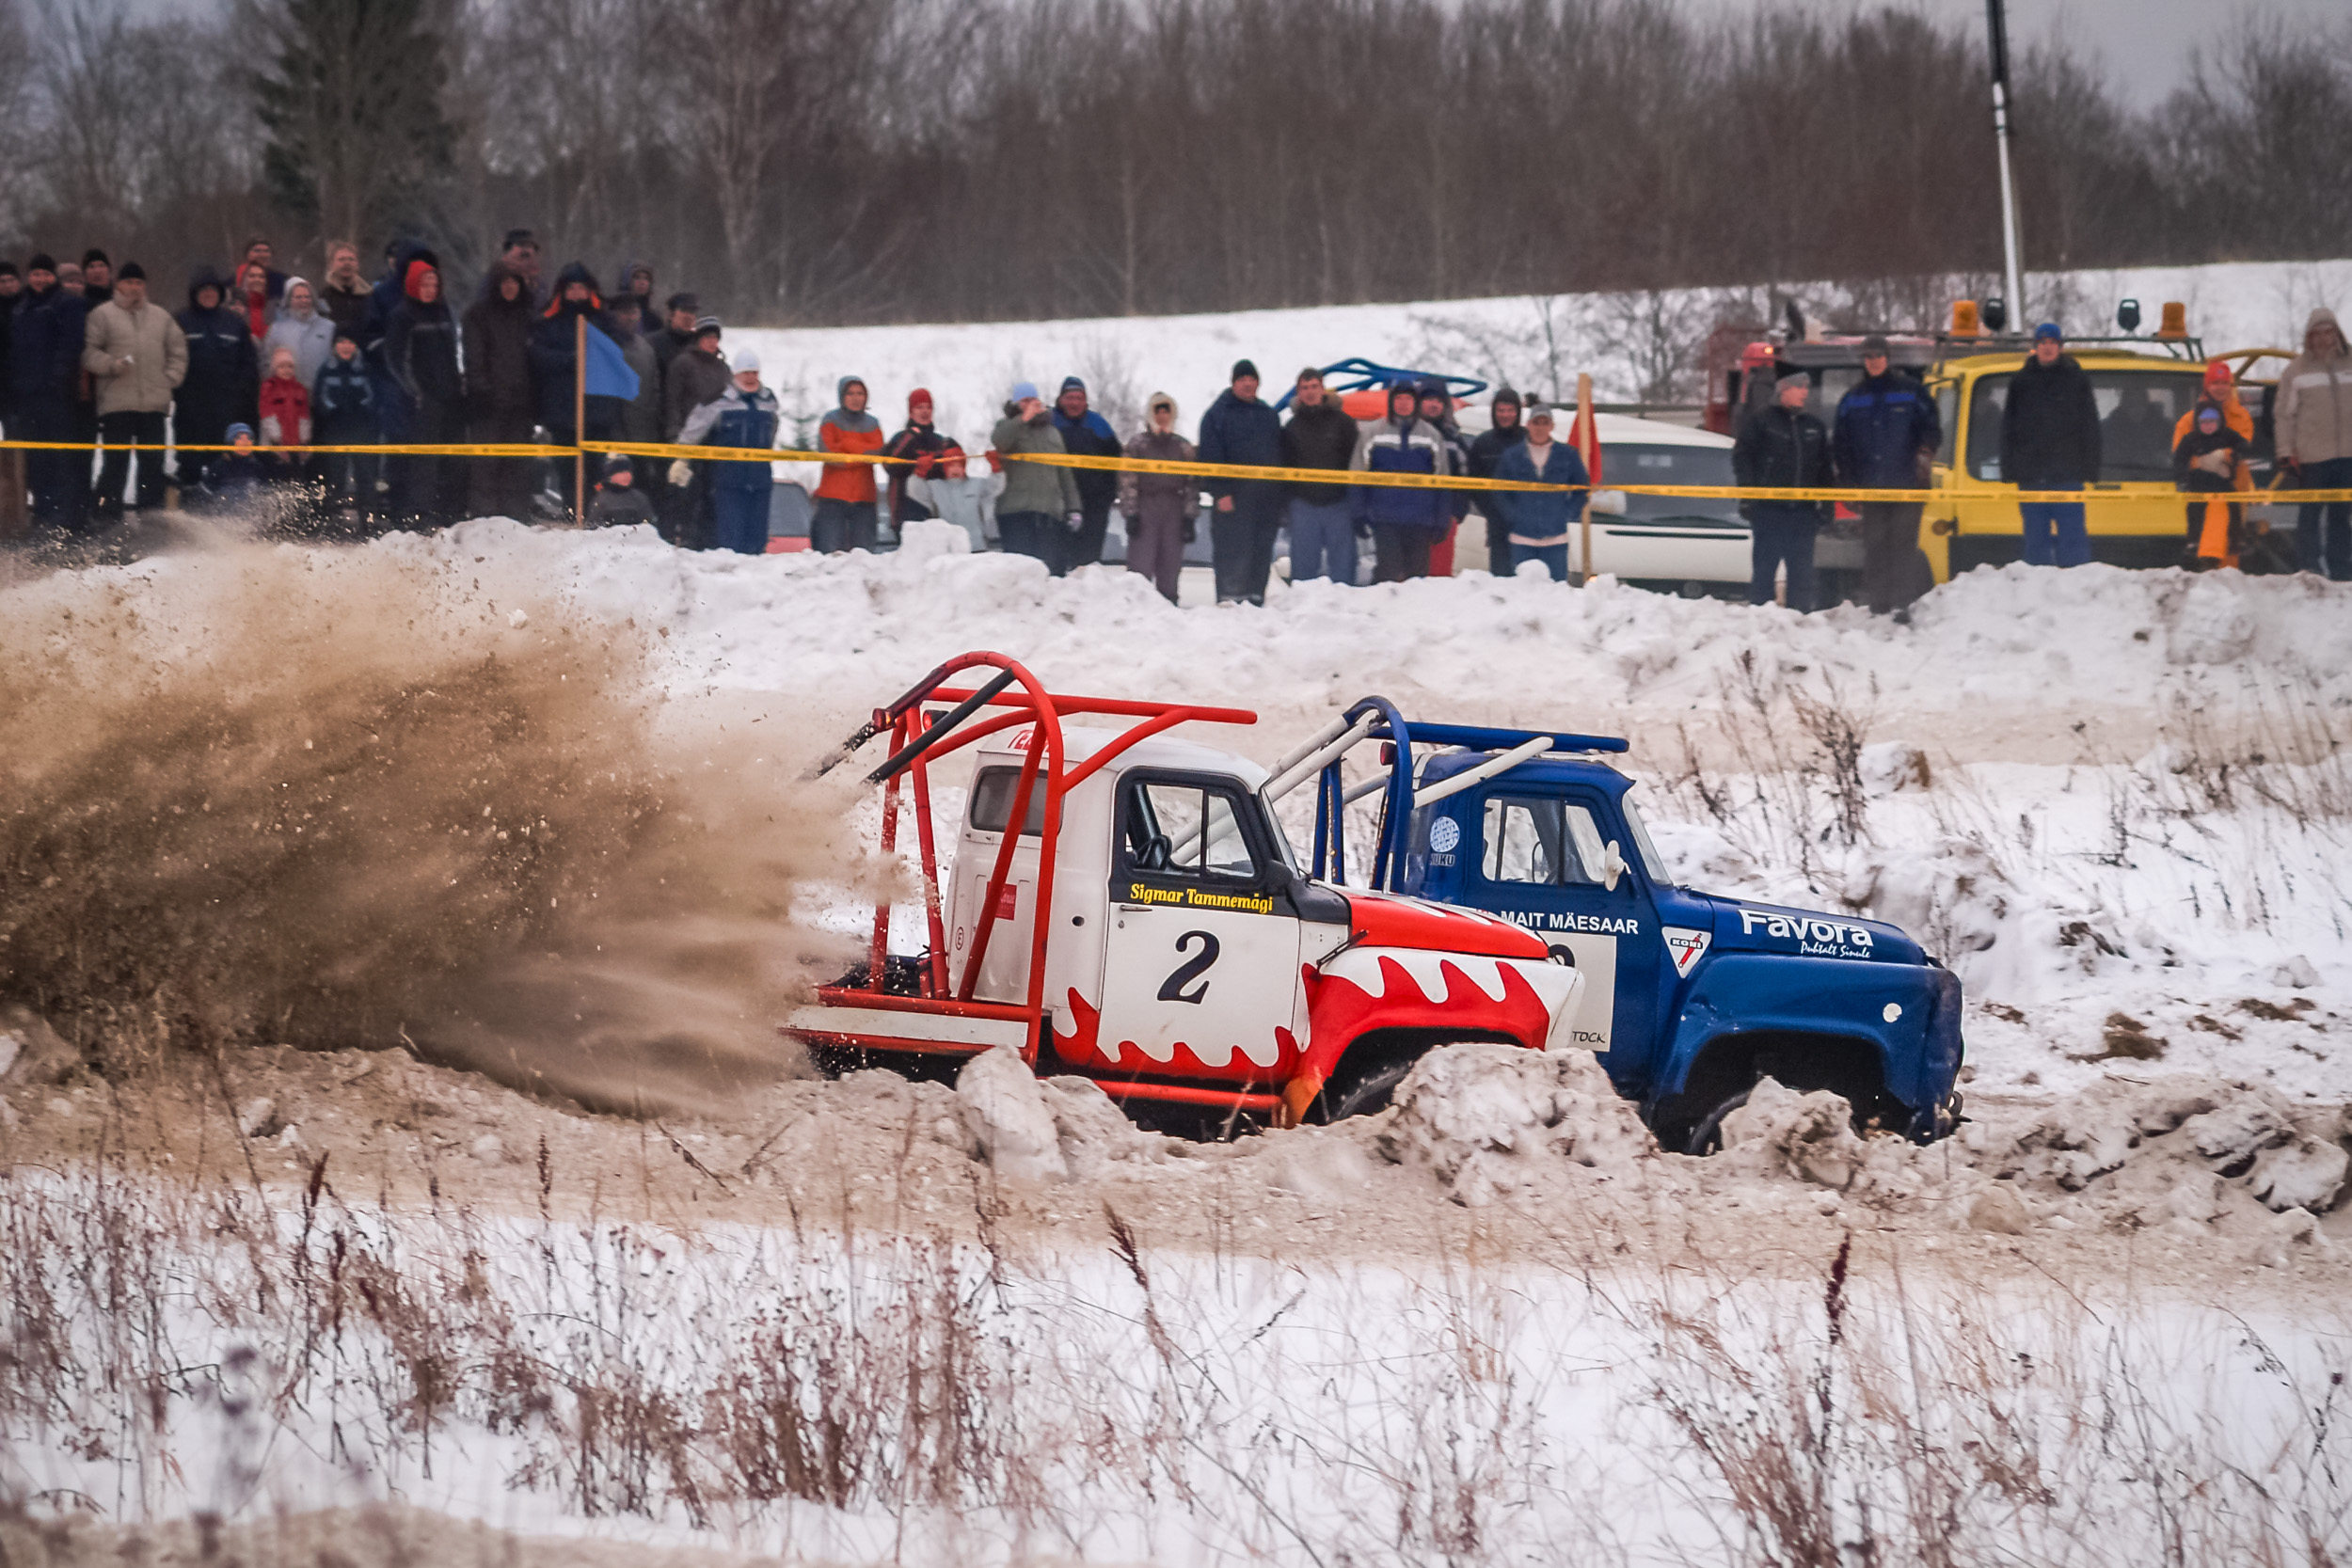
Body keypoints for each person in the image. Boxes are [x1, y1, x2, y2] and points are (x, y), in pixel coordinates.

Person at [1833, 334, 1940, 614]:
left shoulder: (1911, 392)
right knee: (1875, 546)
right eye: (1869, 356)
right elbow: (1842, 446)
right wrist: (1848, 484)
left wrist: (1924, 456)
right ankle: (1879, 606)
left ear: (1887, 358)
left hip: (1908, 484)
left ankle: (1903, 605)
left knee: (1904, 545)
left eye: (1878, 356)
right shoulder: (1853, 399)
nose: (1874, 361)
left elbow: (1932, 428)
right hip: (1871, 487)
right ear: (1863, 361)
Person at [81, 262, 187, 517]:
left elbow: (178, 351)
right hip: (117, 403)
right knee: (115, 463)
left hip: (154, 404)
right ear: (118, 284)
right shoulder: (102, 315)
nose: (134, 287)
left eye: (139, 283)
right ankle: (108, 515)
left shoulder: (161, 317)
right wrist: (110, 364)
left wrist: (170, 379)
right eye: (129, 282)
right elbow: (89, 352)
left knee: (152, 463)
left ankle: (151, 515)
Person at [2000, 323, 2101, 567]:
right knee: (2035, 541)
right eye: (2043, 343)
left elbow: (2090, 426)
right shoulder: (2021, 382)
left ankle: (2076, 584)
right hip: (2031, 475)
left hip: (2067, 474)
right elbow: (2008, 428)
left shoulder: (2076, 379)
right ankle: (2037, 587)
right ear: (2035, 347)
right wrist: (2009, 468)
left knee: (2073, 539)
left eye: (2052, 343)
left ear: (2061, 347)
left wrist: (2091, 467)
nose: (2047, 348)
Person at [1733, 370, 1834, 610]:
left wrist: (1827, 505)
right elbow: (1742, 458)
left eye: (1807, 387)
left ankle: (1799, 619)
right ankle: (1761, 619)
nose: (1805, 392)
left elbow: (1825, 470)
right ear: (1783, 389)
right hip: (1768, 511)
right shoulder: (1761, 422)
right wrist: (1748, 496)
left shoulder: (1814, 427)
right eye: (1799, 387)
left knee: (1802, 574)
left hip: (1803, 513)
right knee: (1764, 572)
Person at [1351, 377, 1464, 582]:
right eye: (1399, 398)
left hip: (1420, 521)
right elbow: (1357, 474)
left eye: (1408, 399)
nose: (1403, 403)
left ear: (1415, 402)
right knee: (1387, 576)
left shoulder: (1431, 435)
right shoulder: (1372, 432)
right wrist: (1358, 512)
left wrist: (1441, 520)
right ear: (1391, 401)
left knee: (1417, 581)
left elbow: (1443, 481)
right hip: (1384, 519)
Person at [8, 256, 91, 529]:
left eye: (45, 274)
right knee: (36, 457)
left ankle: (65, 514)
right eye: (36, 274)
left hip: (57, 394)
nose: (40, 279)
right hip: (27, 394)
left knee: (61, 456)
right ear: (28, 277)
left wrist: (58, 377)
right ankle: (43, 511)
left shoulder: (66, 304)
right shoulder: (21, 308)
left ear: (54, 276)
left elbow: (71, 345)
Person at [383, 257, 466, 524]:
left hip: (450, 394)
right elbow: (397, 360)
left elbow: (452, 352)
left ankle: (451, 510)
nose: (430, 290)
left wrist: (457, 384)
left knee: (453, 455)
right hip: (422, 398)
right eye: (425, 284)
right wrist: (416, 392)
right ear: (413, 285)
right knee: (423, 460)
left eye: (434, 285)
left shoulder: (443, 311)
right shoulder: (403, 315)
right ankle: (421, 512)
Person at [1198, 359, 1285, 603]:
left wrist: (1278, 496)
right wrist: (1221, 492)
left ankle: (1256, 600)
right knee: (1232, 552)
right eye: (1242, 379)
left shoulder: (1268, 415)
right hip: (1232, 500)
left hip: (1265, 500)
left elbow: (1279, 456)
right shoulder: (1217, 414)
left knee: (1261, 551)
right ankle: (1230, 602)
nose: (1247, 384)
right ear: (1233, 383)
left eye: (1251, 379)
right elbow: (1210, 456)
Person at [677, 347, 780, 555]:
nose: (750, 377)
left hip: (760, 479)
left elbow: (773, 431)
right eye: (745, 373)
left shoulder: (768, 400)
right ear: (735, 374)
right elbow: (693, 431)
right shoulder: (717, 400)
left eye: (754, 372)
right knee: (731, 538)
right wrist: (681, 459)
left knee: (757, 538)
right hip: (729, 480)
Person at [2278, 307, 2352, 580]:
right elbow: (2284, 415)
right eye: (2317, 333)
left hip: (2347, 454)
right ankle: (2310, 568)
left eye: (2328, 332)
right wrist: (2285, 451)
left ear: (2337, 332)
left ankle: (2341, 570)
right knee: (2309, 513)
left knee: (2341, 515)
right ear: (2309, 336)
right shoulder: (2295, 371)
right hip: (2311, 457)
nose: (2323, 338)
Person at [462, 260, 537, 520]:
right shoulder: (477, 315)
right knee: (486, 461)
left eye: (514, 282)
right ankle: (484, 515)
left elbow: (534, 359)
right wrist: (480, 390)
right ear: (495, 284)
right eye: (505, 282)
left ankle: (515, 515)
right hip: (488, 402)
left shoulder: (528, 316)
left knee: (517, 462)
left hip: (521, 402)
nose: (510, 287)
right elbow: (474, 358)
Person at [529, 263, 621, 470]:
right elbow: (539, 356)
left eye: (581, 288)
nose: (576, 293)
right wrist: (570, 360)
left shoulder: (604, 320)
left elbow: (614, 352)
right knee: (566, 471)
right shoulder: (548, 322)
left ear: (590, 291)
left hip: (596, 413)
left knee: (595, 470)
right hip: (562, 413)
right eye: (571, 288)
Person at [1490, 403, 1589, 582]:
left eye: (1545, 423)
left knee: (1556, 590)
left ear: (1552, 426)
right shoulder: (1512, 456)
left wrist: (1567, 513)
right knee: (1523, 590)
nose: (1540, 428)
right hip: (1521, 539)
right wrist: (1513, 515)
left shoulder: (1568, 455)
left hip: (1556, 540)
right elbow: (1499, 491)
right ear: (1528, 425)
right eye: (1536, 423)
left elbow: (1581, 489)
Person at [1280, 367, 1360, 584]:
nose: (1310, 392)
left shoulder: (1343, 422)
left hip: (1339, 503)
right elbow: (1284, 465)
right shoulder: (1291, 427)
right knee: (1303, 568)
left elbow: (1356, 462)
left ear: (1323, 389)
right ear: (1298, 392)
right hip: (1303, 504)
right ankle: (1302, 601)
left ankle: (1344, 602)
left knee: (1344, 566)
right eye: (1305, 388)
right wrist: (1286, 503)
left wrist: (1355, 499)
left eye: (1314, 386)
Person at [991, 381, 1081, 567]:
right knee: (1020, 571)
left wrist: (1074, 508)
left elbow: (1065, 473)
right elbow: (1000, 442)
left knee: (1051, 570)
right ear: (1016, 403)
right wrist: (1022, 419)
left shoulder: (1053, 432)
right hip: (1015, 512)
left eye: (1033, 400)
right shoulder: (1006, 425)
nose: (1030, 404)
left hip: (1050, 513)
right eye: (1024, 401)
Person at [1119, 391, 1198, 603]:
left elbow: (1192, 483)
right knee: (1140, 566)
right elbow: (1127, 480)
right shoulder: (1137, 445)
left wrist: (1189, 517)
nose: (1162, 416)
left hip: (1174, 508)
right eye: (1158, 412)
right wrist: (1131, 513)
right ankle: (1136, 608)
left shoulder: (1183, 447)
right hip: (1145, 506)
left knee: (1170, 565)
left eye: (1166, 412)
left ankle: (1169, 607)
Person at [661, 316, 732, 550]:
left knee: (709, 491)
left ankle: (706, 540)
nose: (712, 342)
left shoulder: (723, 368)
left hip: (715, 441)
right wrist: (674, 433)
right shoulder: (683, 363)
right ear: (698, 339)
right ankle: (678, 536)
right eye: (708, 337)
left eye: (715, 338)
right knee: (682, 490)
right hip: (687, 437)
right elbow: (672, 401)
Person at [2174, 391, 2251, 570]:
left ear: (2219, 422)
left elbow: (2244, 446)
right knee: (2194, 509)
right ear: (2197, 423)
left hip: (2221, 482)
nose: (2208, 426)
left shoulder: (2226, 435)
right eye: (2204, 422)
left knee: (2234, 506)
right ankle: (2193, 541)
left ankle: (2236, 540)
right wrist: (2182, 480)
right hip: (2198, 483)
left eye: (2212, 422)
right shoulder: (2190, 439)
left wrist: (2234, 455)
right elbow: (2179, 460)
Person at [1051, 375, 1122, 570]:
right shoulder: (1049, 422)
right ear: (1061, 399)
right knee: (1056, 559)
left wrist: (1108, 495)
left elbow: (1116, 460)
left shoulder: (1098, 424)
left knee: (1088, 562)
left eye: (1079, 398)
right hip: (1057, 501)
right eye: (1070, 398)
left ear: (1085, 401)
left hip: (1094, 504)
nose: (1074, 403)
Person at [311, 328, 378, 523]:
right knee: (335, 475)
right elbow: (320, 398)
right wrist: (334, 411)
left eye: (350, 342)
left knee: (366, 474)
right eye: (341, 342)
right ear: (334, 346)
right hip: (336, 431)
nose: (346, 347)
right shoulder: (326, 369)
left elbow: (374, 397)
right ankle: (333, 516)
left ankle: (368, 517)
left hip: (363, 431)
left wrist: (362, 411)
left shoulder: (365, 368)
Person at [812, 375, 885, 553]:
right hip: (832, 499)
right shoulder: (830, 420)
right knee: (830, 554)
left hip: (864, 500)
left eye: (860, 393)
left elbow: (878, 452)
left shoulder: (872, 423)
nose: (855, 398)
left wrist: (846, 446)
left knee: (864, 556)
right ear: (842, 396)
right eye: (850, 393)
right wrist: (861, 454)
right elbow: (828, 453)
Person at [883, 388, 965, 529]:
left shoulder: (941, 442)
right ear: (911, 412)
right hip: (904, 513)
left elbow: (954, 472)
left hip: (939, 514)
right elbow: (891, 466)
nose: (925, 412)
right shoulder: (900, 438)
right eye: (919, 407)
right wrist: (911, 436)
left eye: (928, 407)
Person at [1466, 386, 1528, 571]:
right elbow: (1474, 485)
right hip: (1497, 525)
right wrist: (1492, 512)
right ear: (1494, 412)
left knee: (1530, 577)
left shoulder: (1531, 440)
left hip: (1529, 525)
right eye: (1501, 410)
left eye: (1510, 410)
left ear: (1518, 412)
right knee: (1500, 577)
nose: (1505, 415)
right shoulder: (1483, 443)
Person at [607, 294, 663, 449]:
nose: (631, 318)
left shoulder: (646, 348)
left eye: (634, 312)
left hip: (642, 432)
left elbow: (654, 389)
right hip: (610, 434)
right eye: (625, 312)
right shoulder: (604, 344)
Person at [262, 277, 334, 388]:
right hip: (287, 394)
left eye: (307, 297)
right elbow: (266, 362)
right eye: (298, 297)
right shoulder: (277, 329)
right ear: (289, 300)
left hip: (320, 391)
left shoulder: (329, 327)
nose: (304, 301)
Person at [256, 344, 312, 480]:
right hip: (273, 444)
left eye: (290, 366)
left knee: (296, 477)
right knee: (275, 478)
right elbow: (267, 415)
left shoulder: (300, 389)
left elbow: (304, 417)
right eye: (281, 367)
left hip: (295, 445)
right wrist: (277, 441)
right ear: (274, 369)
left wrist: (304, 441)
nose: (286, 370)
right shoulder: (269, 387)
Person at [318, 241, 372, 340]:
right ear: (331, 264)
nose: (347, 263)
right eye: (341, 259)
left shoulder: (369, 296)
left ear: (357, 264)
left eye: (351, 259)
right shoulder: (324, 296)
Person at [587, 452, 657, 528]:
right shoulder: (601, 500)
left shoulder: (640, 498)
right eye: (621, 472)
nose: (626, 476)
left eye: (628, 472)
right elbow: (592, 527)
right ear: (610, 476)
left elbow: (650, 526)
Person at [238, 237, 288, 305]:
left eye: (266, 251)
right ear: (247, 255)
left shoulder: (283, 281)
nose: (262, 255)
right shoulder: (235, 281)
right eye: (257, 251)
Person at [234, 260, 274, 342]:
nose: (257, 280)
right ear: (243, 280)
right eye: (252, 276)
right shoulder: (234, 307)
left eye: (261, 276)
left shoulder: (273, 307)